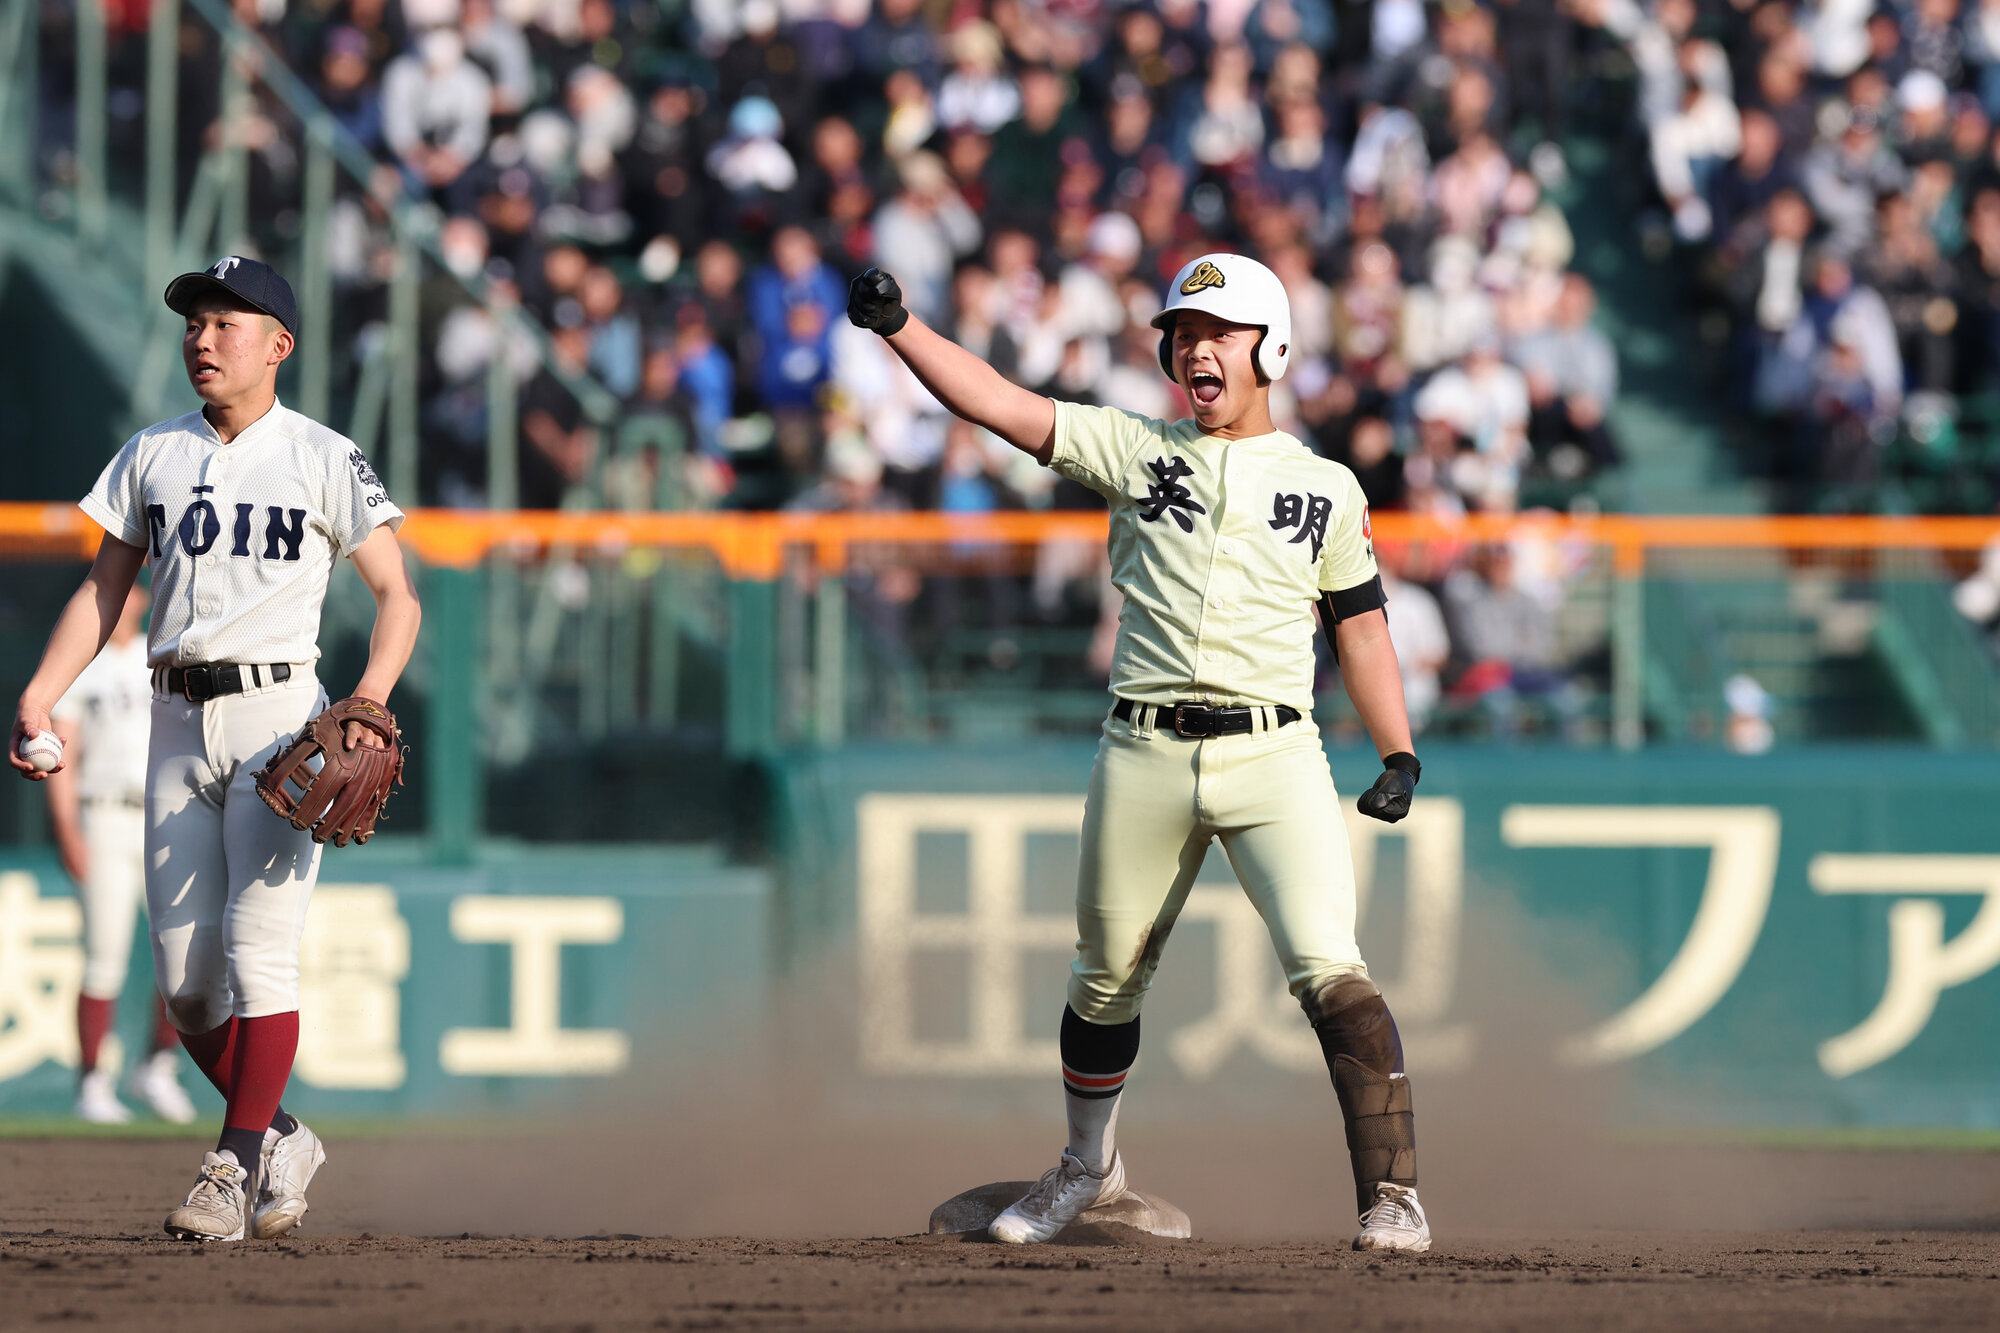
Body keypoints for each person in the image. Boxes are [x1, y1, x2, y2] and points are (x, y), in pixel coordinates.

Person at [846, 253, 1434, 1253]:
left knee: (1332, 969)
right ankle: (1090, 1169)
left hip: (1276, 754)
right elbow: (998, 402)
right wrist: (900, 327)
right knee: (1103, 978)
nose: (1195, 348)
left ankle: (1393, 1195)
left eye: (1219, 332)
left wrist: (1399, 751)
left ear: (1271, 349)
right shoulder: (1135, 448)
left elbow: (1363, 630)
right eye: (1183, 334)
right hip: (1143, 745)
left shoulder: (1326, 487)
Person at [9, 256, 421, 1243]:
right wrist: (38, 695)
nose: (202, 337)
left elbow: (397, 595)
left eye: (225, 322)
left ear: (278, 345)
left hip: (280, 723)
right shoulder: (151, 451)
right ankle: (281, 1134)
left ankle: (229, 1170)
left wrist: (370, 696)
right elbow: (104, 589)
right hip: (172, 720)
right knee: (190, 992)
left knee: (258, 952)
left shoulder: (321, 453)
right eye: (195, 321)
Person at [46, 581, 197, 1126]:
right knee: (103, 955)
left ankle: (157, 1066)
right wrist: (68, 828)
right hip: (105, 814)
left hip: (167, 816)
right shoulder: (82, 663)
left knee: (185, 955)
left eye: (136, 589)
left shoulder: (166, 656)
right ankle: (92, 1080)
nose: (129, 598)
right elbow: (61, 749)